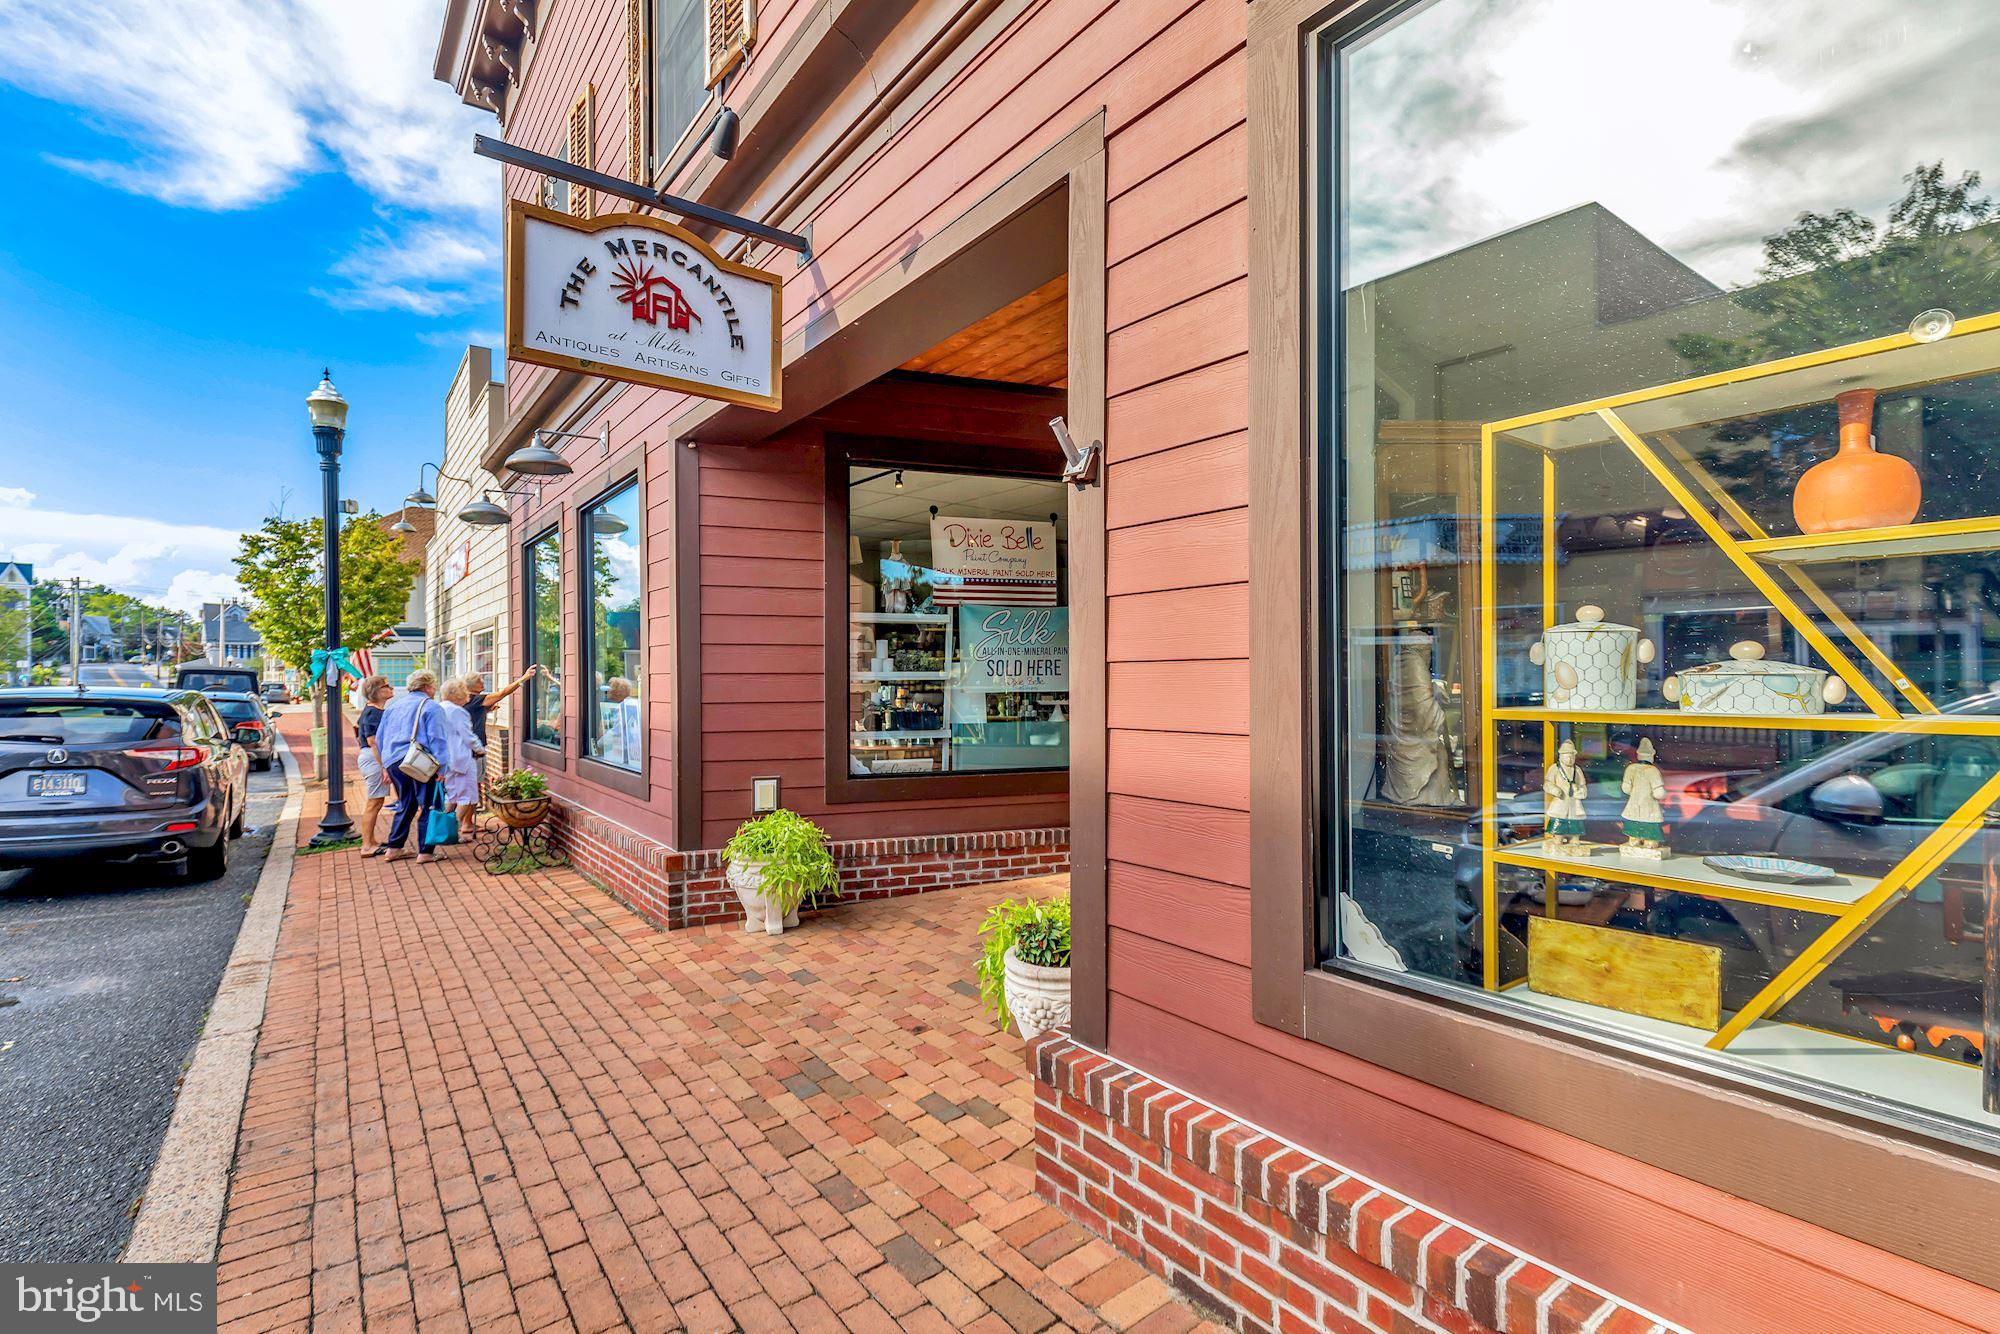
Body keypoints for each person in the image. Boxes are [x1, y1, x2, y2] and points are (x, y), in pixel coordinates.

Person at [377, 670, 451, 863]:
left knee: (406, 803)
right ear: (427, 687)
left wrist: (386, 765)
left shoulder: (394, 706)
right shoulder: (431, 706)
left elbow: (380, 738)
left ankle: (394, 847)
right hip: (420, 762)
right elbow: (438, 739)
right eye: (433, 686)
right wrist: (442, 768)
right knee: (428, 805)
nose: (434, 689)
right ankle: (425, 852)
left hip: (394, 761)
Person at [353, 675, 396, 856]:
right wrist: (384, 766)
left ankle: (370, 841)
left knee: (376, 801)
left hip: (372, 757)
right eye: (386, 686)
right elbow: (373, 741)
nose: (390, 688)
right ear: (377, 691)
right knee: (374, 802)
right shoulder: (373, 713)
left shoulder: (375, 711)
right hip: (374, 758)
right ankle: (367, 845)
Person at [438, 677, 483, 831]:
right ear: (458, 694)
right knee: (467, 797)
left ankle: (441, 827)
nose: (468, 696)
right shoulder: (458, 711)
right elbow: (468, 737)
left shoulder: (440, 708)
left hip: (447, 759)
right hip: (462, 759)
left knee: (451, 795)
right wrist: (480, 749)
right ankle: (450, 829)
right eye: (466, 693)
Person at [462, 665, 538, 751]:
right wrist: (524, 678)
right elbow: (503, 693)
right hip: (474, 747)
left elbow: (472, 714)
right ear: (473, 685)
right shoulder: (476, 699)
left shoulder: (468, 699)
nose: (483, 681)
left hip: (469, 744)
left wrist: (485, 711)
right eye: (479, 680)